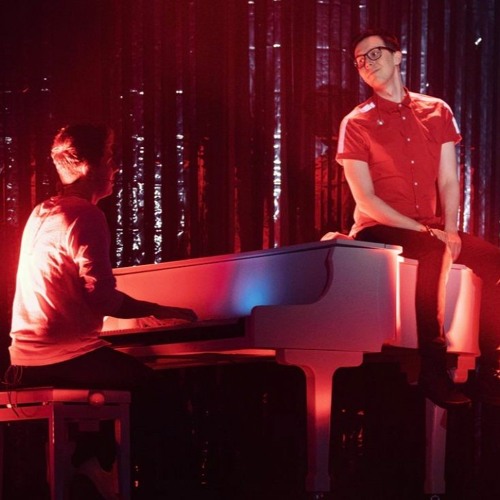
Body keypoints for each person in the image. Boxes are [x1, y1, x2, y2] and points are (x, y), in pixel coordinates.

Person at [5, 123, 198, 498]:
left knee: (130, 384)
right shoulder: (86, 215)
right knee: (164, 396)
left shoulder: (42, 212)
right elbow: (104, 300)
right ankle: (158, 489)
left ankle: (98, 463)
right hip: (63, 358)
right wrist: (160, 310)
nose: (116, 166)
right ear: (87, 166)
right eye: (109, 157)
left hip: (24, 360)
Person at [336, 29, 500, 409]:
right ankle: (433, 368)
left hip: (431, 226)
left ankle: (489, 369)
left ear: (397, 56)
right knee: (431, 248)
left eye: (374, 54)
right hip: (378, 227)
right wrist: (427, 231)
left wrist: (451, 230)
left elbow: (448, 180)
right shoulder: (355, 122)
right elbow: (366, 200)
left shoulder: (437, 110)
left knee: (494, 261)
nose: (367, 64)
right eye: (359, 61)